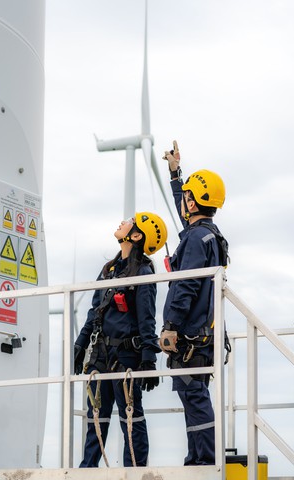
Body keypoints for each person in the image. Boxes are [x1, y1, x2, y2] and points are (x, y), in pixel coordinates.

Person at [73, 212, 167, 467]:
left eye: (128, 221)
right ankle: (87, 471)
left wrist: (149, 359)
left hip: (126, 357)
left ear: (136, 236)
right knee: (96, 420)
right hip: (100, 355)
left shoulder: (144, 272)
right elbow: (95, 312)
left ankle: (134, 471)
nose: (122, 222)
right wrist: (80, 346)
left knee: (131, 420)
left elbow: (147, 318)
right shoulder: (109, 271)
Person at [159, 140, 229, 466]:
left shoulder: (193, 239)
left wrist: (171, 325)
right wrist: (176, 175)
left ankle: (205, 462)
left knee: (194, 397)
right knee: (194, 396)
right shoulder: (208, 235)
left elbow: (186, 285)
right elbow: (185, 208)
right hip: (204, 336)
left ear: (194, 201)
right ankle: (197, 460)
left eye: (186, 194)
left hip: (189, 335)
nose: (182, 200)